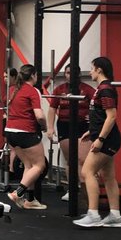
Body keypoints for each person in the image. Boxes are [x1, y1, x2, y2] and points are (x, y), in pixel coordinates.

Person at [73, 56, 121, 228]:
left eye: (92, 68)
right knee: (108, 177)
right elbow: (101, 117)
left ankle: (93, 215)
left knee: (87, 172)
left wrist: (100, 139)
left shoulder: (106, 89)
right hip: (105, 138)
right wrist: (92, 132)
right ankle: (115, 216)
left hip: (107, 140)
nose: (90, 72)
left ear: (99, 70)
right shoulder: (100, 89)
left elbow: (112, 117)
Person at [47, 64, 94, 201]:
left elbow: (98, 106)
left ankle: (85, 191)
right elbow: (52, 109)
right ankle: (72, 189)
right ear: (65, 74)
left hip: (82, 126)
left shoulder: (87, 90)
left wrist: (92, 118)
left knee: (82, 159)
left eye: (73, 73)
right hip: (64, 125)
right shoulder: (59, 90)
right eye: (67, 73)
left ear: (78, 75)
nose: (70, 75)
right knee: (70, 160)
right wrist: (50, 128)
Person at [4, 65, 48, 210]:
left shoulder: (12, 90)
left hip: (10, 132)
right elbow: (40, 116)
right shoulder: (33, 91)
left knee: (29, 165)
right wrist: (45, 127)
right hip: (25, 132)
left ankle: (30, 199)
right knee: (39, 165)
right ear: (34, 75)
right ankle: (18, 193)